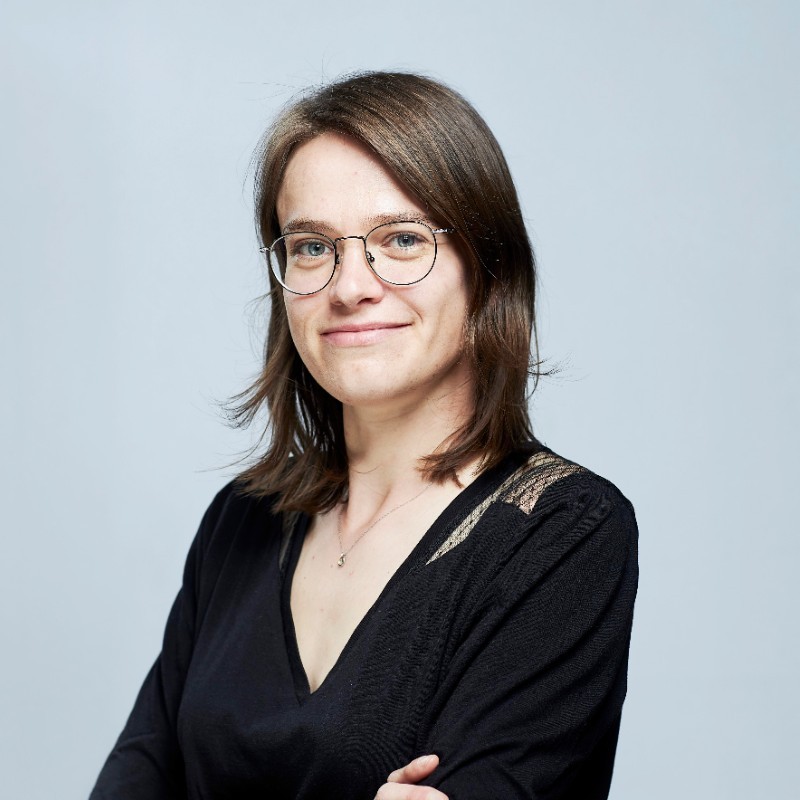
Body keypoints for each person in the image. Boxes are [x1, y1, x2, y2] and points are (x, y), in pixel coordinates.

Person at [91, 71, 638, 800]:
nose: (350, 287)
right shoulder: (242, 519)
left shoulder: (561, 531)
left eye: (402, 239)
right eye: (312, 247)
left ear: (487, 268)